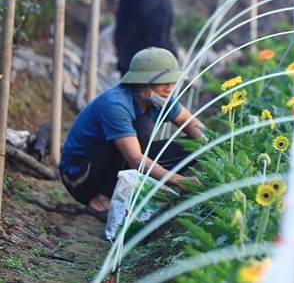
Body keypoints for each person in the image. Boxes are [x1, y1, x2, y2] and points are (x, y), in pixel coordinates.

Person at [59, 47, 205, 222]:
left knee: (194, 146)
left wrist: (217, 149)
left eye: (172, 82)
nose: (169, 88)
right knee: (143, 127)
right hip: (80, 176)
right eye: (163, 82)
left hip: (121, 159)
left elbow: (190, 124)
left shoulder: (161, 97)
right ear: (142, 82)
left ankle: (130, 196)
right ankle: (102, 201)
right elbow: (136, 159)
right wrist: (182, 182)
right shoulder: (116, 104)